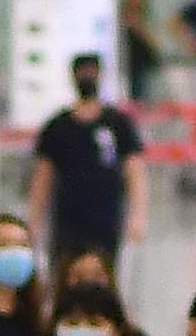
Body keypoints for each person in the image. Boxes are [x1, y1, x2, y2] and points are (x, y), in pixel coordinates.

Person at [28, 52, 145, 266]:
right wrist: (35, 222)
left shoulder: (118, 123)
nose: (87, 77)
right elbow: (42, 177)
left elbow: (134, 170)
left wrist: (138, 214)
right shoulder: (57, 126)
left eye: (92, 71)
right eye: (83, 72)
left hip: (107, 218)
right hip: (68, 219)